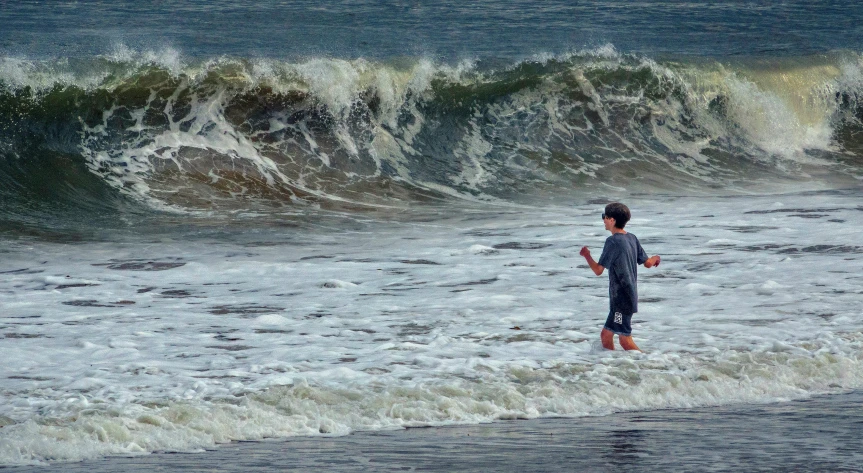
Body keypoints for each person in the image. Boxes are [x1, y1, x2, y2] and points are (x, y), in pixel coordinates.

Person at [579, 202, 660, 351]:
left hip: (621, 299)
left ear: (612, 220)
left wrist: (587, 256)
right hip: (628, 297)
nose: (603, 220)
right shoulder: (632, 238)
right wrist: (655, 258)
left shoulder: (613, 241)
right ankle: (613, 365)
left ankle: (648, 363)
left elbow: (598, 270)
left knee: (624, 339)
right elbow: (648, 263)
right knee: (607, 335)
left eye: (605, 217)